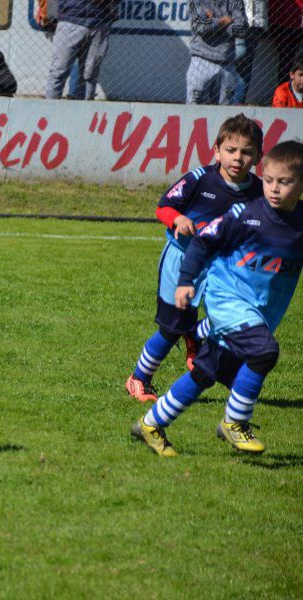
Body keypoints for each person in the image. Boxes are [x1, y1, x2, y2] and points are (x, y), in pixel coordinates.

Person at [131, 140, 303, 457]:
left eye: (285, 181)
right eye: (268, 180)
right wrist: (185, 282)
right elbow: (202, 243)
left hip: (259, 312)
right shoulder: (245, 215)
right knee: (264, 352)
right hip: (228, 302)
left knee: (206, 373)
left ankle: (150, 424)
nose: (274, 189)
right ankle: (234, 422)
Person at [125, 114, 263, 402]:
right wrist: (178, 219)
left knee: (234, 318)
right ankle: (140, 378)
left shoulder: (260, 191)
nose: (237, 158)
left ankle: (197, 339)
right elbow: (163, 208)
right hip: (182, 260)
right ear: (217, 150)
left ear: (258, 156)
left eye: (246, 152)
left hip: (223, 266)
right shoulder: (199, 180)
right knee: (171, 326)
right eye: (231, 150)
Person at [44, 0, 120, 100]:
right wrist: (51, 16)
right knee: (59, 72)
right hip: (69, 20)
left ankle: (86, 113)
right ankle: (49, 112)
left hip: (100, 23)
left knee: (90, 75)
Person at [185, 0, 247, 105]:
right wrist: (223, 21)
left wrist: (213, 21)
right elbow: (200, 26)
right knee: (194, 111)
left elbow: (242, 28)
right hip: (201, 61)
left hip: (227, 64)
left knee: (224, 113)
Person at [232, 0, 266, 104]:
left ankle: (237, 102)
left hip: (255, 22)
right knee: (239, 57)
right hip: (237, 20)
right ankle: (229, 100)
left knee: (245, 67)